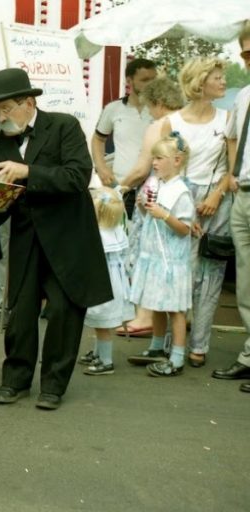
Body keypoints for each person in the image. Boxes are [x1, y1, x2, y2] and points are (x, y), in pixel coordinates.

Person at [0, 67, 111, 409]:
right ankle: (15, 379)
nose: (2, 117)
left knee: (64, 312)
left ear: (27, 102)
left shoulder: (63, 125)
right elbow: (5, 195)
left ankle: (54, 384)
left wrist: (28, 172)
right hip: (26, 237)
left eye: (6, 109)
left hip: (68, 236)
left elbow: (77, 175)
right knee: (20, 312)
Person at [160, 57, 231, 368]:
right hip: (181, 199)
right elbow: (163, 167)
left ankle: (199, 344)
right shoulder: (172, 122)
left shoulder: (228, 119)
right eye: (217, 77)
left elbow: (233, 167)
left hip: (217, 199)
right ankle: (171, 342)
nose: (223, 82)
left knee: (211, 274)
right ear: (200, 82)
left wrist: (216, 194)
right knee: (178, 272)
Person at [116, 76, 186, 339]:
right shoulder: (188, 121)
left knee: (144, 257)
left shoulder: (158, 126)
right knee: (176, 261)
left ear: (157, 103)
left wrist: (119, 188)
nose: (149, 112)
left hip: (155, 197)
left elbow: (142, 168)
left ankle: (144, 316)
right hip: (182, 196)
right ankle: (176, 322)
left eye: (149, 107)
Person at [128, 133, 195, 376]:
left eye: (159, 158)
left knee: (175, 310)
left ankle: (177, 356)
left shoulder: (181, 192)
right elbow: (152, 221)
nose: (154, 163)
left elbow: (184, 228)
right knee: (155, 303)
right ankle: (157, 346)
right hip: (153, 257)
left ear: (177, 160)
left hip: (171, 262)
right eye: (153, 158)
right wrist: (143, 209)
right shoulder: (158, 185)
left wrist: (164, 215)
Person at [212, 21, 250, 390]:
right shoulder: (243, 96)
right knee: (246, 284)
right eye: (246, 54)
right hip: (245, 195)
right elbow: (233, 139)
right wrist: (235, 176)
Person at [79, 187, 135, 375]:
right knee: (99, 322)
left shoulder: (99, 235)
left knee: (101, 323)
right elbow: (127, 257)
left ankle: (106, 360)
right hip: (118, 282)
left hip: (104, 283)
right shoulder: (118, 230)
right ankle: (97, 352)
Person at [91, 58, 157, 213]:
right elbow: (98, 138)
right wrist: (101, 167)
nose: (151, 84)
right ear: (129, 80)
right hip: (121, 184)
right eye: (145, 80)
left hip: (153, 186)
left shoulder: (161, 109)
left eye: (153, 79)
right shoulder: (113, 108)